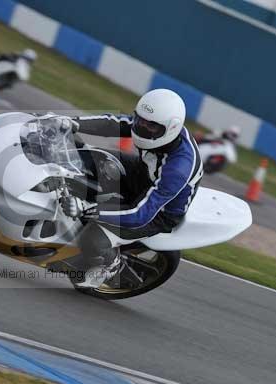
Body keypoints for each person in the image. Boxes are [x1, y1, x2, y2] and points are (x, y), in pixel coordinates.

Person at [61, 89, 204, 288]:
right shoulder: (154, 126)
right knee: (88, 157)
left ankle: (111, 266)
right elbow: (115, 123)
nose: (142, 127)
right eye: (140, 120)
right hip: (143, 174)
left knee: (92, 239)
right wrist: (72, 122)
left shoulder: (178, 168)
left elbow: (141, 214)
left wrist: (87, 208)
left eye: (151, 126)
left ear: (170, 129)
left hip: (158, 212)